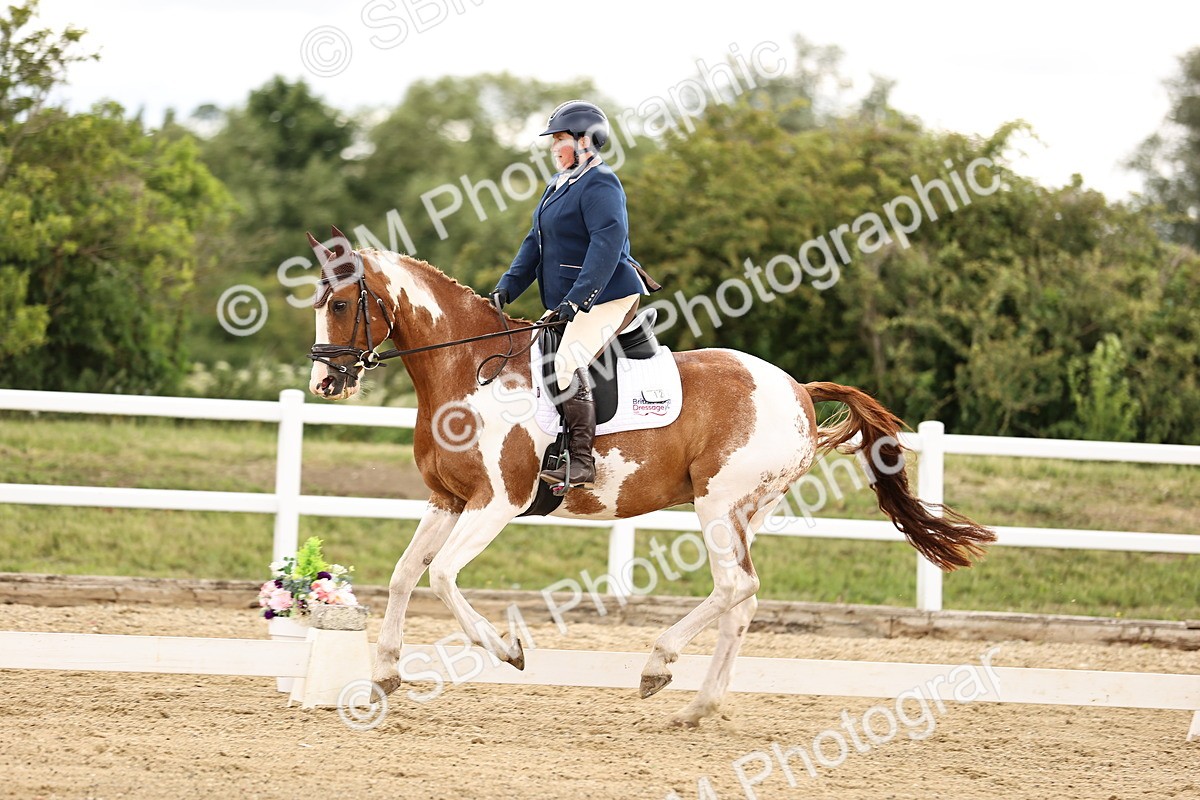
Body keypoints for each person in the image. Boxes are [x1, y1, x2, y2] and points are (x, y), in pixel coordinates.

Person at [491, 99, 659, 490]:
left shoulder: (601, 182)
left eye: (560, 139)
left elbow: (607, 244)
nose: (554, 147)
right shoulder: (558, 184)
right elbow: (535, 242)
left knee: (565, 364)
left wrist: (578, 299)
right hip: (571, 298)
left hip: (608, 295)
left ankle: (582, 462)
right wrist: (507, 286)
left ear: (586, 140)